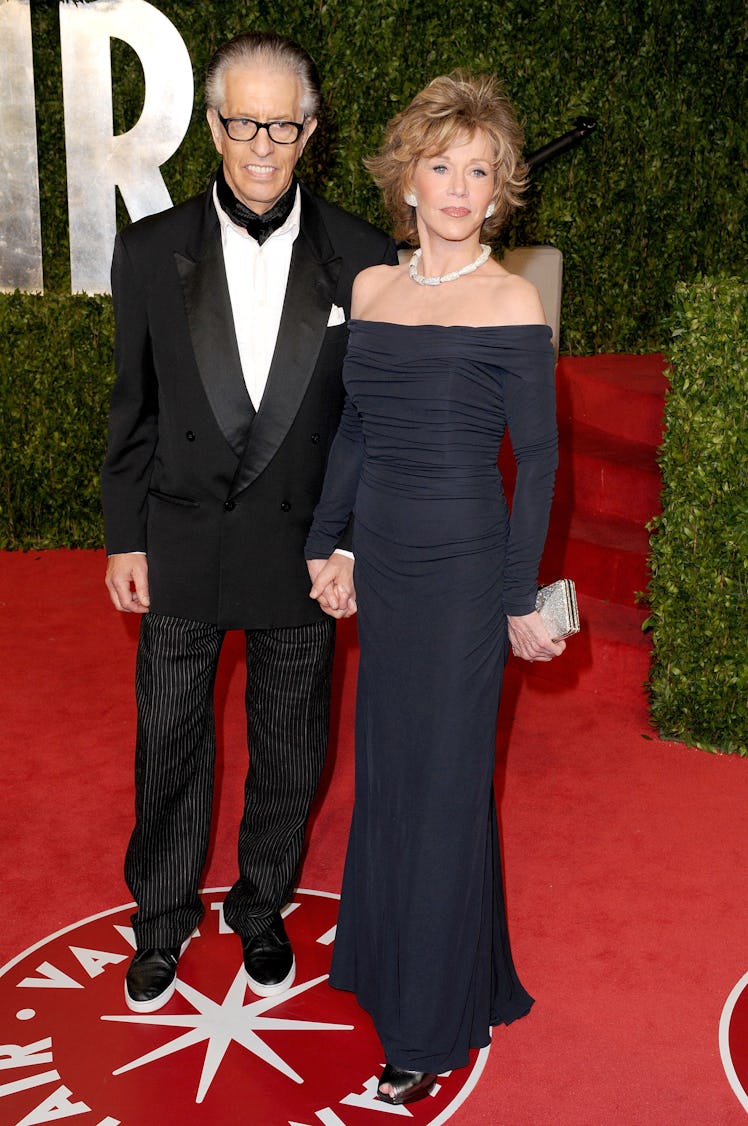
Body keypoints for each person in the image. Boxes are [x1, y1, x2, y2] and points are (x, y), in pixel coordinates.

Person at [101, 31, 397, 1015]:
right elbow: (130, 408)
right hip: (181, 539)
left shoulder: (364, 254)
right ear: (214, 128)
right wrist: (124, 535)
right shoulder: (151, 249)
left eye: (283, 123)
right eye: (243, 122)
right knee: (171, 744)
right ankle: (160, 921)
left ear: (310, 131)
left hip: (303, 548)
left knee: (289, 744)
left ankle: (261, 906)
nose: (261, 145)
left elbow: (371, 422)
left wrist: (350, 540)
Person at [305, 71, 566, 1105]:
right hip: (387, 561)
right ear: (405, 178)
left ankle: (425, 1026)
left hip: (463, 574)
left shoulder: (513, 300)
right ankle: (401, 961)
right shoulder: (370, 290)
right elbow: (358, 428)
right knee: (393, 772)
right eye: (441, 165)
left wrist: (516, 598)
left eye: (481, 171)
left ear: (500, 192)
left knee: (448, 787)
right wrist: (334, 544)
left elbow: (537, 464)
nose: (459, 188)